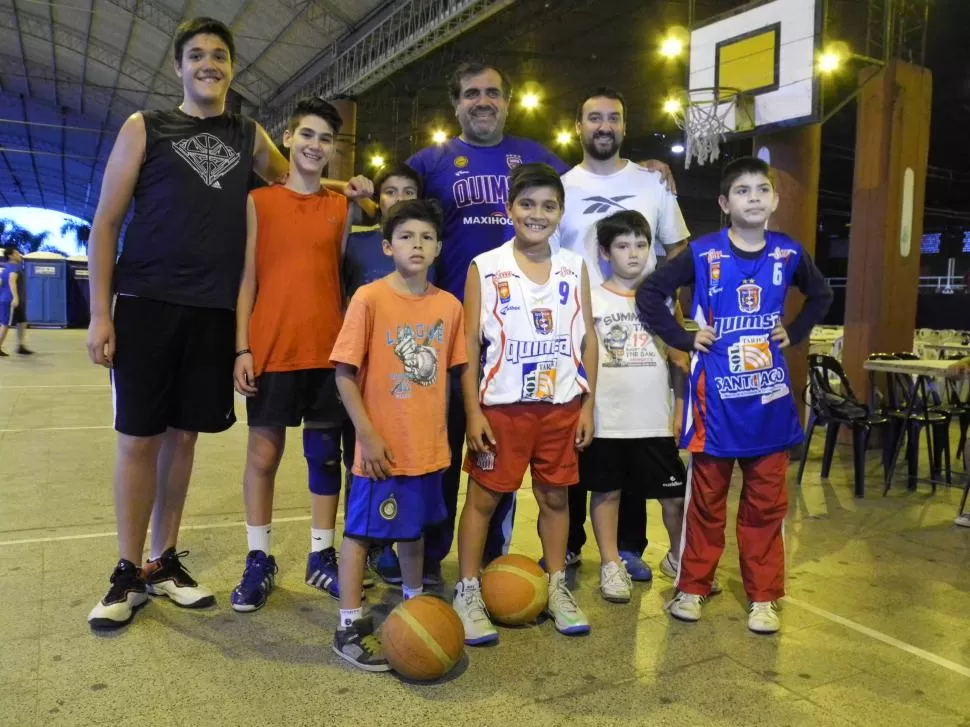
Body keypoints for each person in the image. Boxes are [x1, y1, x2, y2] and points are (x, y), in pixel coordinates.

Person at [84, 16, 371, 629]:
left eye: (219, 55)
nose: (208, 64)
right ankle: (126, 569)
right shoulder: (146, 127)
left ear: (232, 68)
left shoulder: (248, 132)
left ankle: (162, 561)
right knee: (138, 438)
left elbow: (294, 176)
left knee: (183, 438)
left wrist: (351, 189)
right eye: (196, 55)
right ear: (179, 67)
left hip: (213, 312)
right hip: (147, 302)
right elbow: (105, 223)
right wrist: (97, 315)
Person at [407, 63, 676, 580]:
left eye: (492, 92)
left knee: (544, 486)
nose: (482, 101)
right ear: (457, 103)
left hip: (550, 356)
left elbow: (595, 167)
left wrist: (646, 170)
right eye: (471, 94)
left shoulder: (539, 160)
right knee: (450, 456)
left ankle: (502, 561)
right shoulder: (432, 161)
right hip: (466, 334)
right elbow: (393, 197)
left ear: (508, 100)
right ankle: (428, 558)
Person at [636, 156, 833, 634]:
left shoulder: (787, 253)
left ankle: (763, 596)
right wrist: (683, 338)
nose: (753, 198)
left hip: (768, 405)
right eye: (742, 191)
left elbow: (822, 294)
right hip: (716, 406)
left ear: (774, 200)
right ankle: (693, 586)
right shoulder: (703, 253)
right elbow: (650, 294)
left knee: (767, 506)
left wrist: (797, 329)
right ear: (725, 203)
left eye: (761, 190)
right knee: (706, 504)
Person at [454, 163, 596, 644]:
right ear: (509, 209)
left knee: (556, 497)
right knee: (484, 499)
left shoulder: (574, 266)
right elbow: (469, 345)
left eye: (549, 206)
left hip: (559, 407)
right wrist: (473, 410)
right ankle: (468, 588)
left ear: (561, 212)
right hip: (502, 409)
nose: (538, 214)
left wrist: (588, 407)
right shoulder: (485, 266)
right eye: (528, 204)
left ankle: (556, 584)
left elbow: (588, 338)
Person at [553, 87, 691, 581]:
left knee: (635, 431)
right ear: (579, 126)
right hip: (580, 330)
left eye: (613, 117)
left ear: (624, 126)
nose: (604, 126)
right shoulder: (563, 187)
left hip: (639, 326)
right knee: (584, 438)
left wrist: (663, 305)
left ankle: (630, 548)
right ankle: (569, 545)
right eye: (594, 118)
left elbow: (678, 249)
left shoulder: (652, 183)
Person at [330, 199, 467, 671]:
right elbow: (345, 375)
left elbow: (448, 377)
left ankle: (412, 601)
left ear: (438, 248)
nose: (417, 244)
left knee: (413, 531)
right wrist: (367, 436)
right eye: (407, 236)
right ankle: (348, 622)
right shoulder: (369, 298)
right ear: (388, 246)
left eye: (427, 237)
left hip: (425, 449)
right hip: (379, 449)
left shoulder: (448, 307)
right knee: (360, 533)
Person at [229, 97, 354, 612]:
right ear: (287, 138)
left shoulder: (341, 206)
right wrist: (242, 347)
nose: (315, 146)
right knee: (264, 455)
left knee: (324, 456)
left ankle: (321, 554)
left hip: (328, 353)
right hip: (272, 347)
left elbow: (342, 281)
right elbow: (247, 281)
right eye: (307, 135)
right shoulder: (259, 203)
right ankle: (259, 557)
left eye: (325, 139)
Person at [580, 210, 689, 603]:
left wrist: (679, 413)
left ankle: (678, 559)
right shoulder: (591, 299)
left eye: (641, 245)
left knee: (674, 497)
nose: (634, 254)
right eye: (623, 246)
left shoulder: (661, 299)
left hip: (655, 422)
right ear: (606, 252)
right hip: (607, 421)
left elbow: (680, 361)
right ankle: (611, 563)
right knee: (607, 494)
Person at [340, 163, 424, 586]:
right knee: (358, 466)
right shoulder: (359, 245)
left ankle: (391, 546)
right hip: (360, 381)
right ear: (379, 201)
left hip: (405, 384)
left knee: (400, 467)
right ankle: (363, 543)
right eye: (391, 192)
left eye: (410, 192)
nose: (400, 199)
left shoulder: (420, 254)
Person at [0, 247, 32, 356]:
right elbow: (11, 280)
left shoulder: (7, 268)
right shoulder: (13, 267)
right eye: (17, 253)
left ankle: (21, 346)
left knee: (22, 322)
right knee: (5, 324)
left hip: (12, 300)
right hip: (11, 300)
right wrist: (15, 297)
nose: (19, 255)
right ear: (11, 256)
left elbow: (1, 282)